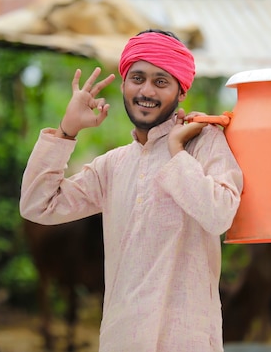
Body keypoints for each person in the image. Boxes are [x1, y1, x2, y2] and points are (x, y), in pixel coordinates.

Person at [20, 29, 243, 352]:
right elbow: (37, 205)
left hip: (186, 341)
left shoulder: (205, 144)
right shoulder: (112, 166)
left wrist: (176, 151)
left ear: (181, 92)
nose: (146, 91)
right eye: (137, 78)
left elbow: (220, 214)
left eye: (161, 81)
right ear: (123, 84)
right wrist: (66, 132)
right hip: (121, 340)